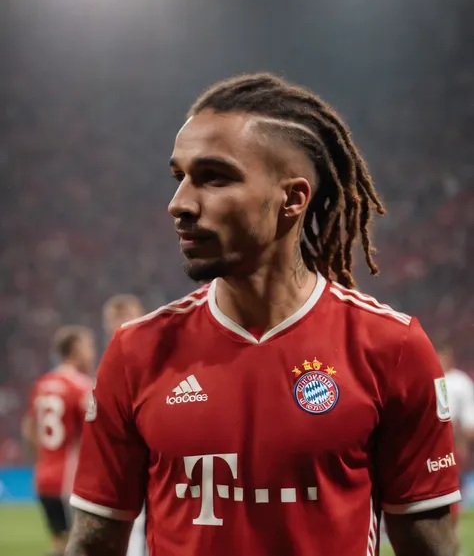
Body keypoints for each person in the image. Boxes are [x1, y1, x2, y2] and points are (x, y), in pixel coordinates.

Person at [66, 73, 460, 556]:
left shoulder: (391, 348)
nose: (180, 203)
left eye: (214, 177)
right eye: (180, 177)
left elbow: (432, 549)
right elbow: (92, 547)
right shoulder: (137, 351)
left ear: (292, 199)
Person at [22, 325, 96, 556]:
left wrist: (43, 459)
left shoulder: (42, 384)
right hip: (70, 481)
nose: (91, 353)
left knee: (60, 543)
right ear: (75, 350)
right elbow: (92, 434)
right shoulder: (81, 386)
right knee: (81, 547)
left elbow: (29, 428)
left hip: (44, 477)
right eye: (88, 346)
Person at [102, 294, 148, 556]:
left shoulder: (151, 360)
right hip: (117, 467)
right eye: (114, 320)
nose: (120, 325)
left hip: (144, 465)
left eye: (125, 318)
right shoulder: (109, 363)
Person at [438, 344, 474, 552]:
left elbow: (466, 420)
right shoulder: (430, 377)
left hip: (450, 444)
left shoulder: (458, 382)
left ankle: (451, 533)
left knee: (449, 491)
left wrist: (462, 442)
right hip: (431, 445)